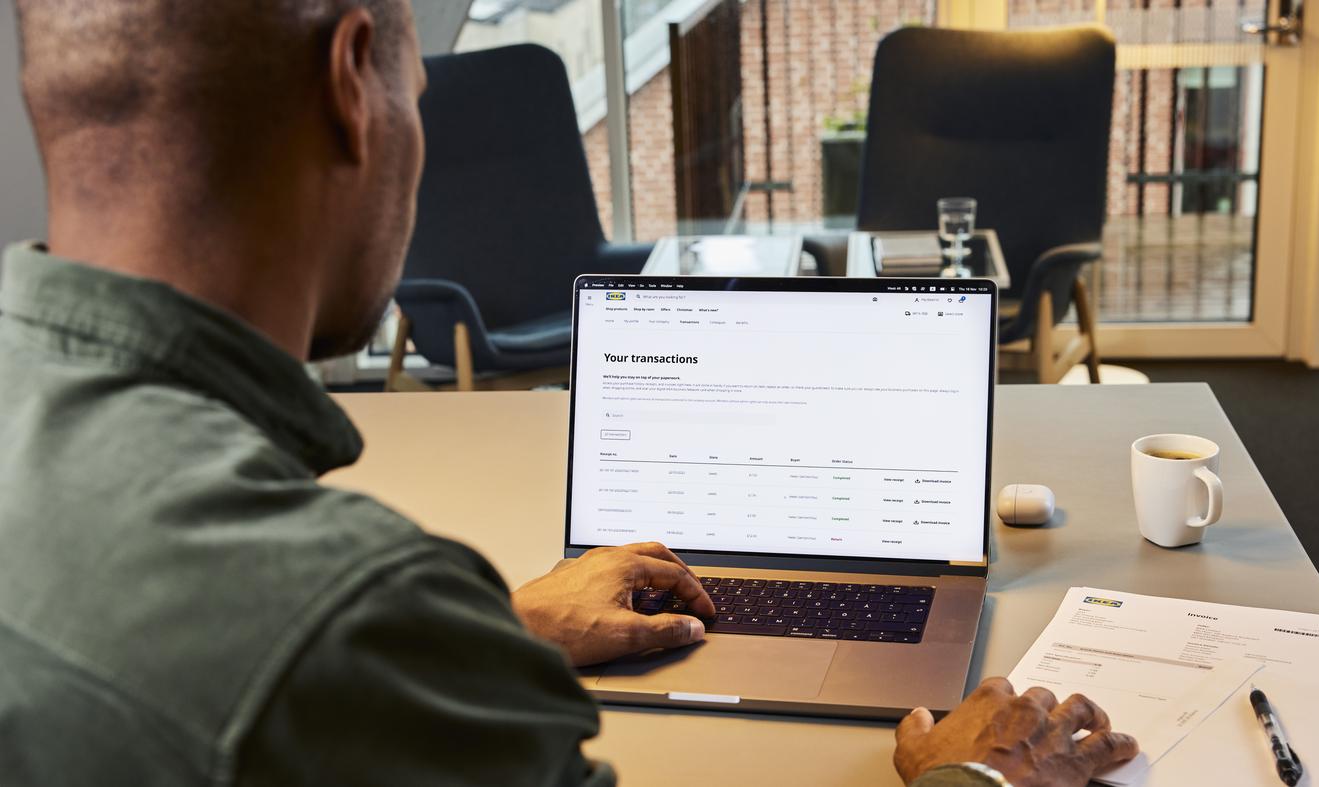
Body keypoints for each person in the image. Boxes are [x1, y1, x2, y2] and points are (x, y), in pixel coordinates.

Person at [0, 1, 1138, 785]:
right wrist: (975, 776)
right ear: (353, 82)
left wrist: (497, 633)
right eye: (415, 93)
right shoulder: (347, 617)